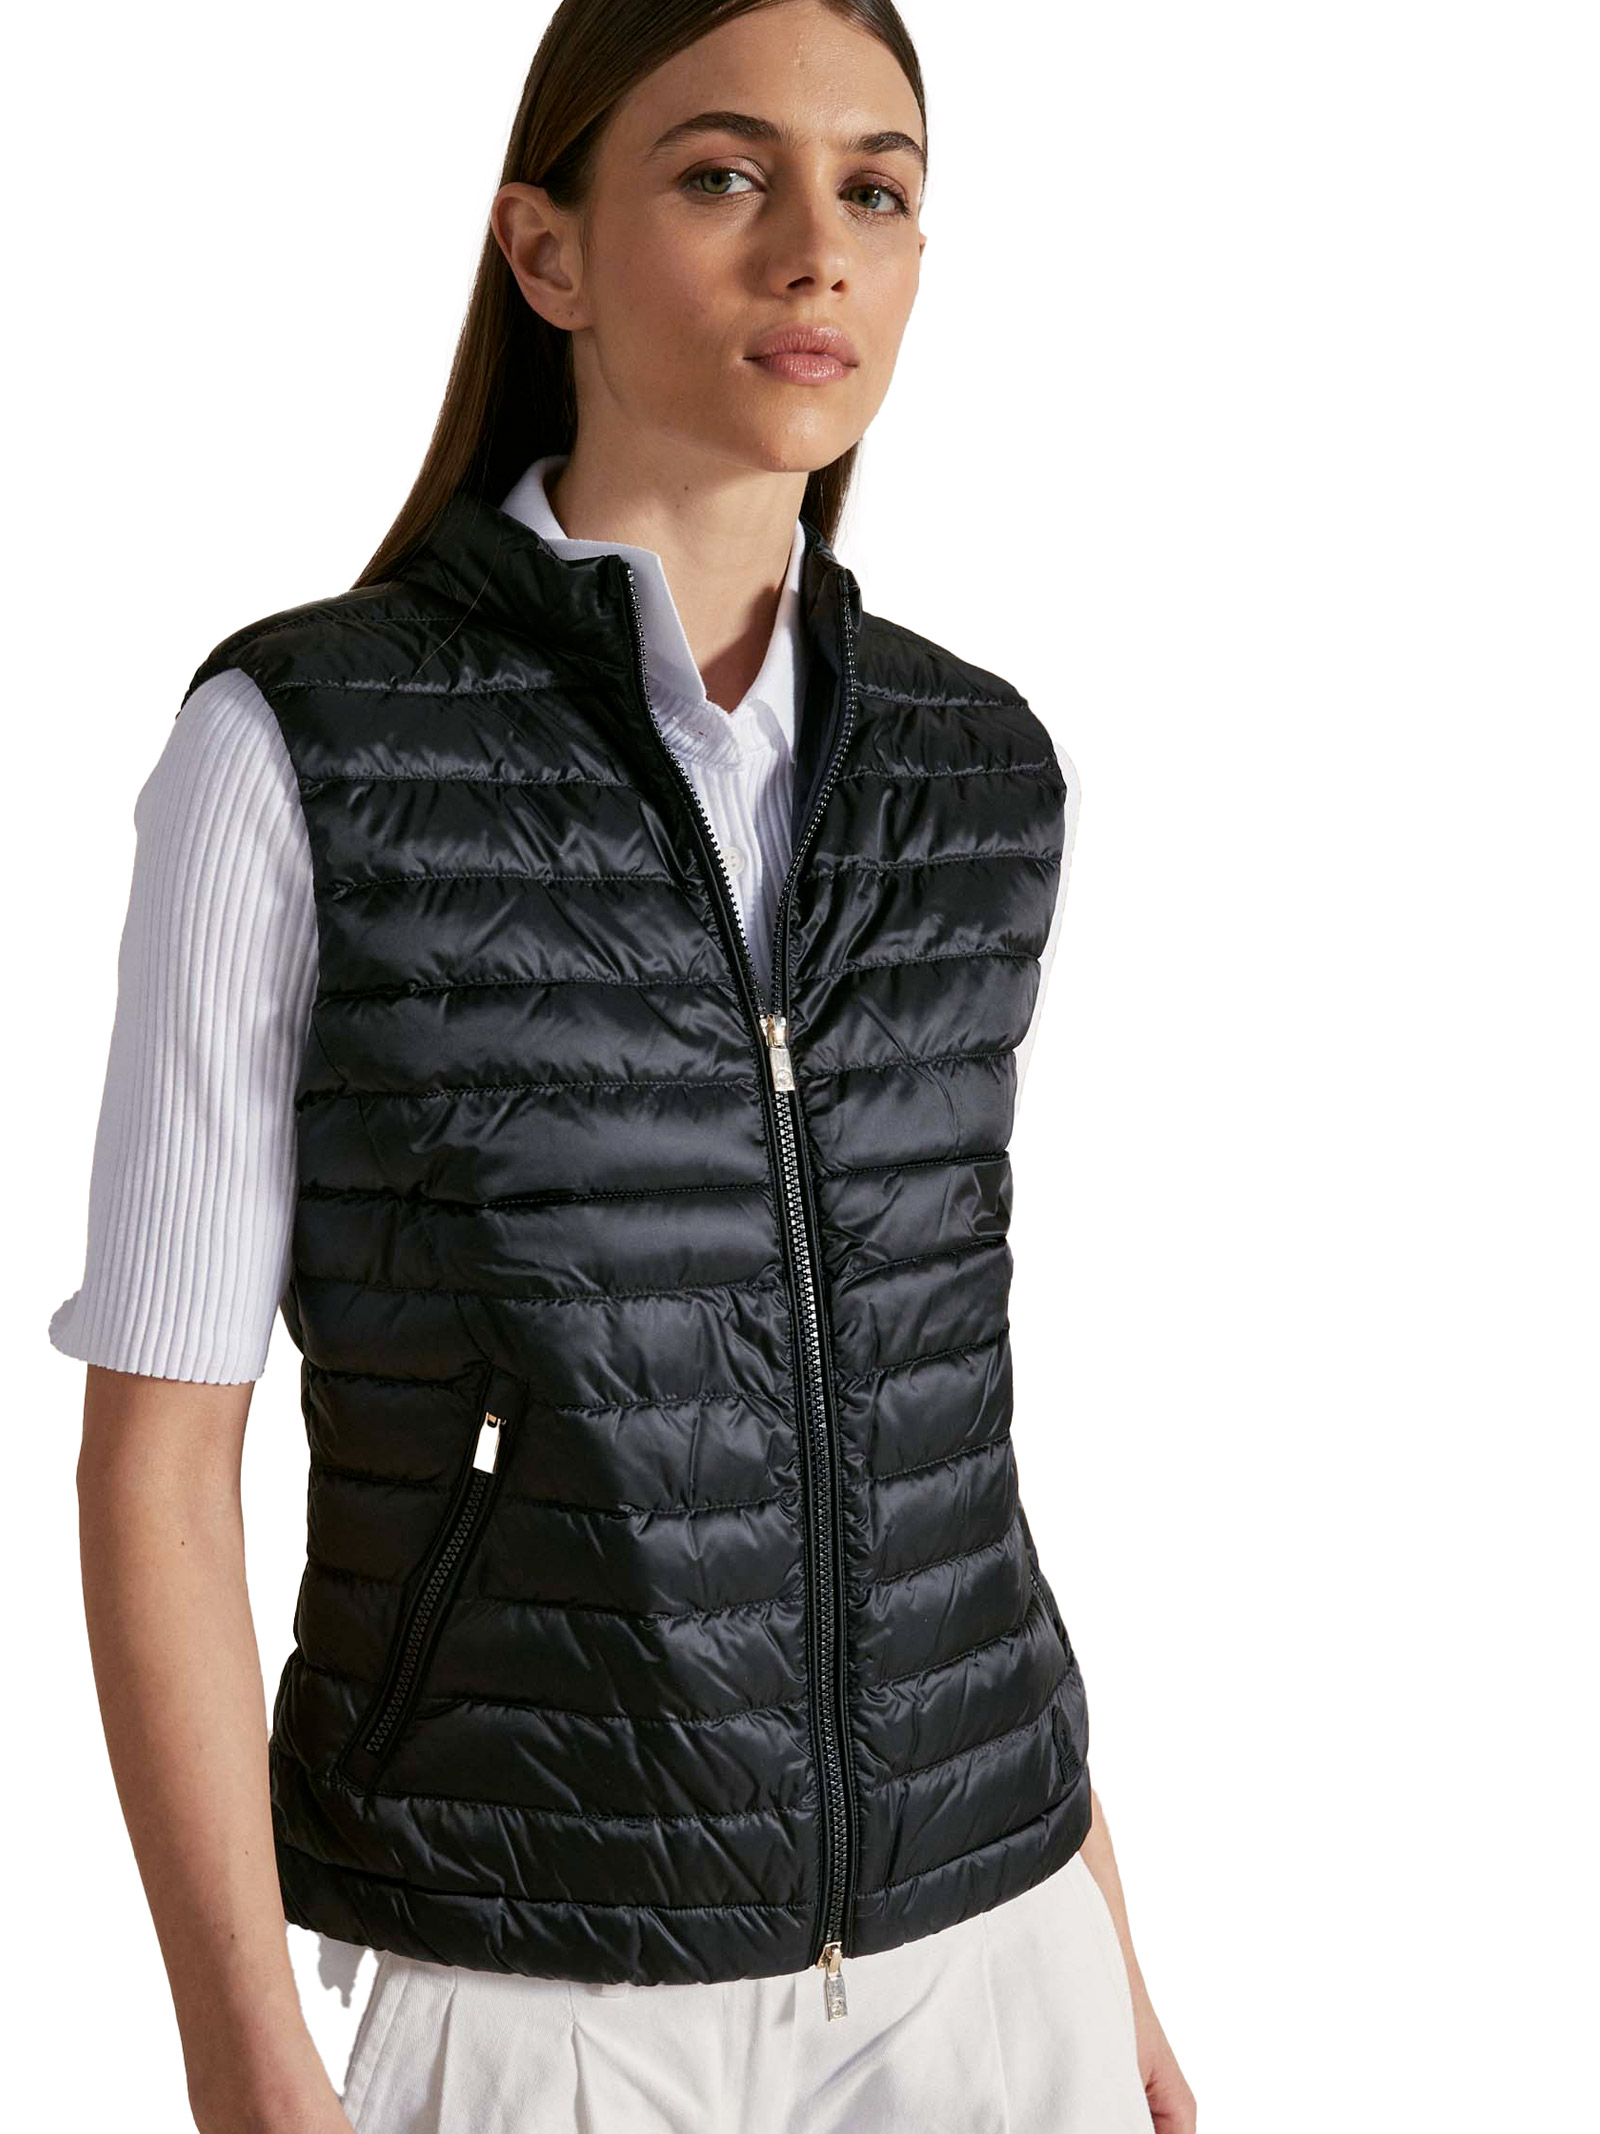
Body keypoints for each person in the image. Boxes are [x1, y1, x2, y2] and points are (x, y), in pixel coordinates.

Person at [57, 3, 1196, 2129]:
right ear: (547, 250)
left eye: (876, 189)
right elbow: (159, 1461)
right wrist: (242, 2051)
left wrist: (1097, 1933)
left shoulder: (977, 773)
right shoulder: (302, 750)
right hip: (544, 1992)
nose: (816, 247)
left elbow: (929, 1426)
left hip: (991, 1947)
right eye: (721, 173)